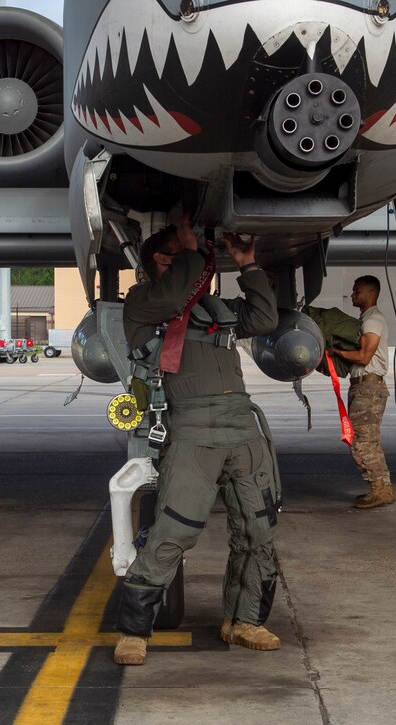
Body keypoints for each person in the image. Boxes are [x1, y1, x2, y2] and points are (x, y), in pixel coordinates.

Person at [113, 216, 282, 666]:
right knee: (172, 533)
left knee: (258, 530)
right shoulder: (143, 303)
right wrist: (193, 251)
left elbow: (264, 317)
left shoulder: (215, 309)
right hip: (190, 429)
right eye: (170, 259)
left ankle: (244, 621)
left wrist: (247, 265)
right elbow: (172, 294)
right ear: (154, 267)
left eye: (184, 258)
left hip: (242, 427)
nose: (181, 266)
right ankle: (134, 632)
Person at [332, 275, 394, 509]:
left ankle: (381, 489)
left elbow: (364, 356)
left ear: (371, 294)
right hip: (363, 387)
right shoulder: (367, 319)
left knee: (362, 442)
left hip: (368, 388)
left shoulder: (373, 320)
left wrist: (336, 352)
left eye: (357, 291)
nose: (353, 295)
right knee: (368, 441)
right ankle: (380, 487)